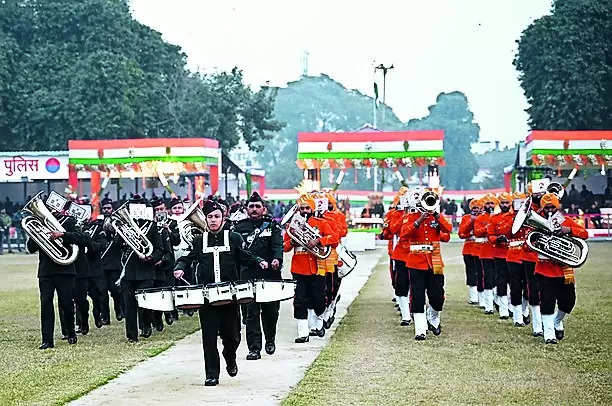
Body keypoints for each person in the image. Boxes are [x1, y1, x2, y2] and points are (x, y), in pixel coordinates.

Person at [173, 199, 266, 386]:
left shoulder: (234, 238)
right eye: (210, 217)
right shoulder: (199, 241)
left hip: (229, 297)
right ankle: (211, 374)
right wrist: (180, 266)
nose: (213, 220)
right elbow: (188, 257)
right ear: (205, 219)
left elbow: (245, 257)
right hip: (207, 298)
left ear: (223, 218)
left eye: (217, 216)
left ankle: (229, 357)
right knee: (208, 337)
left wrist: (259, 261)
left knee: (232, 336)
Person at [233, 192, 283, 360]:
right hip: (248, 275)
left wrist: (277, 259)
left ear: (264, 209)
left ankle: (270, 340)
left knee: (271, 312)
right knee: (251, 313)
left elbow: (278, 246)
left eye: (257, 206)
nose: (254, 209)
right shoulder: (239, 228)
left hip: (270, 275)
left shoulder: (272, 226)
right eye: (251, 206)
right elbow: (240, 252)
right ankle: (254, 348)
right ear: (246, 209)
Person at [284, 193, 338, 343]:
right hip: (298, 267)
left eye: (307, 208)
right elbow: (285, 247)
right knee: (299, 300)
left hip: (317, 266)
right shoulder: (292, 226)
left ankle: (318, 323)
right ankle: (303, 332)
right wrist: (292, 243)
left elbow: (335, 239)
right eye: (302, 208)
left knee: (319, 299)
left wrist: (319, 241)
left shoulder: (321, 223)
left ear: (312, 209)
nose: (305, 211)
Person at [26, 206, 82, 349]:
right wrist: (35, 234)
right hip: (46, 272)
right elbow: (31, 248)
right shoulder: (39, 224)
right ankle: (47, 340)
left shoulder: (69, 221)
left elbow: (81, 238)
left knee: (67, 304)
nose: (51, 209)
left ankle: (70, 332)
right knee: (46, 305)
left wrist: (62, 235)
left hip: (65, 270)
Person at [535, 193, 588, 344]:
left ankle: (557, 321)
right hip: (544, 268)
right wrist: (538, 241)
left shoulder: (566, 221)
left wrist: (568, 230)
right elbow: (527, 245)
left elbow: (584, 234)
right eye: (547, 207)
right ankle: (549, 334)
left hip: (564, 269)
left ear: (557, 206)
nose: (550, 210)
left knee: (568, 301)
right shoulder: (537, 223)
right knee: (547, 301)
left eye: (552, 207)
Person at [400, 191, 452, 340]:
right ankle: (420, 329)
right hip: (416, 260)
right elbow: (403, 234)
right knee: (417, 295)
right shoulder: (410, 217)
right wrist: (418, 221)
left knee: (437, 295)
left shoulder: (436, 217)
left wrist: (436, 215)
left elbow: (448, 229)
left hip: (434, 259)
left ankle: (433, 318)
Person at [118, 195, 163, 342]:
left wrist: (151, 257)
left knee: (144, 303)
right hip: (128, 271)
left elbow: (159, 249)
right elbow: (117, 245)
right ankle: (132, 335)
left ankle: (146, 325)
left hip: (146, 270)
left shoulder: (151, 226)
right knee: (129, 304)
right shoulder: (123, 227)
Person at [486, 193, 514, 319]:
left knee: (514, 282)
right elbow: (490, 235)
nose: (504, 205)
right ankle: (503, 309)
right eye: (502, 203)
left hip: (514, 254)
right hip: (499, 254)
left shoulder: (516, 217)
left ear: (511, 203)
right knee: (501, 281)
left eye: (506, 202)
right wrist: (497, 239)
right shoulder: (494, 218)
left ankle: (513, 307)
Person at [100, 198, 125, 322]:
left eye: (108, 208)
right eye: (104, 208)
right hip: (102, 263)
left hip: (115, 262)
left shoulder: (118, 222)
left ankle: (119, 310)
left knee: (116, 290)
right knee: (102, 292)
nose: (106, 210)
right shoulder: (98, 223)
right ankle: (105, 317)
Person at [473, 194, 497, 315]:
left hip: (498, 252)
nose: (490, 206)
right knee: (487, 277)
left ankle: (497, 301)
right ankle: (488, 305)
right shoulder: (480, 218)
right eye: (487, 204)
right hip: (486, 252)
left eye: (492, 203)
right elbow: (477, 232)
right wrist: (487, 227)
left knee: (498, 278)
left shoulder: (498, 217)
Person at [458, 198, 481, 305]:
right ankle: (473, 296)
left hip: (481, 249)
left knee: (481, 273)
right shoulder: (466, 218)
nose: (476, 210)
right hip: (468, 249)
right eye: (474, 208)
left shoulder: (485, 218)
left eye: (478, 208)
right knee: (471, 273)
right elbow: (461, 234)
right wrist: (471, 221)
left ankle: (483, 296)